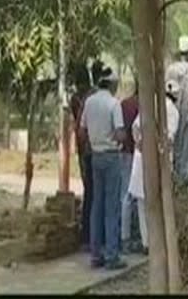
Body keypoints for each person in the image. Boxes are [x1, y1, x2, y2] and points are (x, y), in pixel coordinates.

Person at [79, 66, 127, 270]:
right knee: (112, 206)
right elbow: (120, 133)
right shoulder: (113, 104)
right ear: (112, 84)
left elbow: (81, 130)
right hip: (111, 156)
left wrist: (91, 143)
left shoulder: (89, 102)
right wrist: (118, 140)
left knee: (96, 205)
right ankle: (112, 255)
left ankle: (95, 253)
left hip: (95, 156)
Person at [129, 79, 180, 254]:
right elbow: (170, 138)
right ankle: (158, 241)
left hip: (142, 156)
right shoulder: (172, 110)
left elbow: (135, 129)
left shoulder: (151, 104)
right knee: (157, 202)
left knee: (143, 203)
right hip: (158, 159)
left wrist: (142, 145)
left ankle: (146, 242)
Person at [166, 35, 188, 188]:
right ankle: (183, 184)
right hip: (187, 114)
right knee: (186, 150)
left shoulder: (170, 69)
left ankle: (173, 180)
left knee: (173, 147)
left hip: (171, 111)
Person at [69, 63, 94, 250]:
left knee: (90, 191)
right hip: (92, 148)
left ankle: (87, 234)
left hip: (83, 147)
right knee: (95, 192)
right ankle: (90, 234)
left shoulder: (76, 98)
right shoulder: (91, 96)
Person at [120, 83, 139, 252]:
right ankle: (127, 236)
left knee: (124, 194)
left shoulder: (124, 104)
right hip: (135, 154)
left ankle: (124, 234)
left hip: (123, 151)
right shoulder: (143, 106)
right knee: (131, 195)